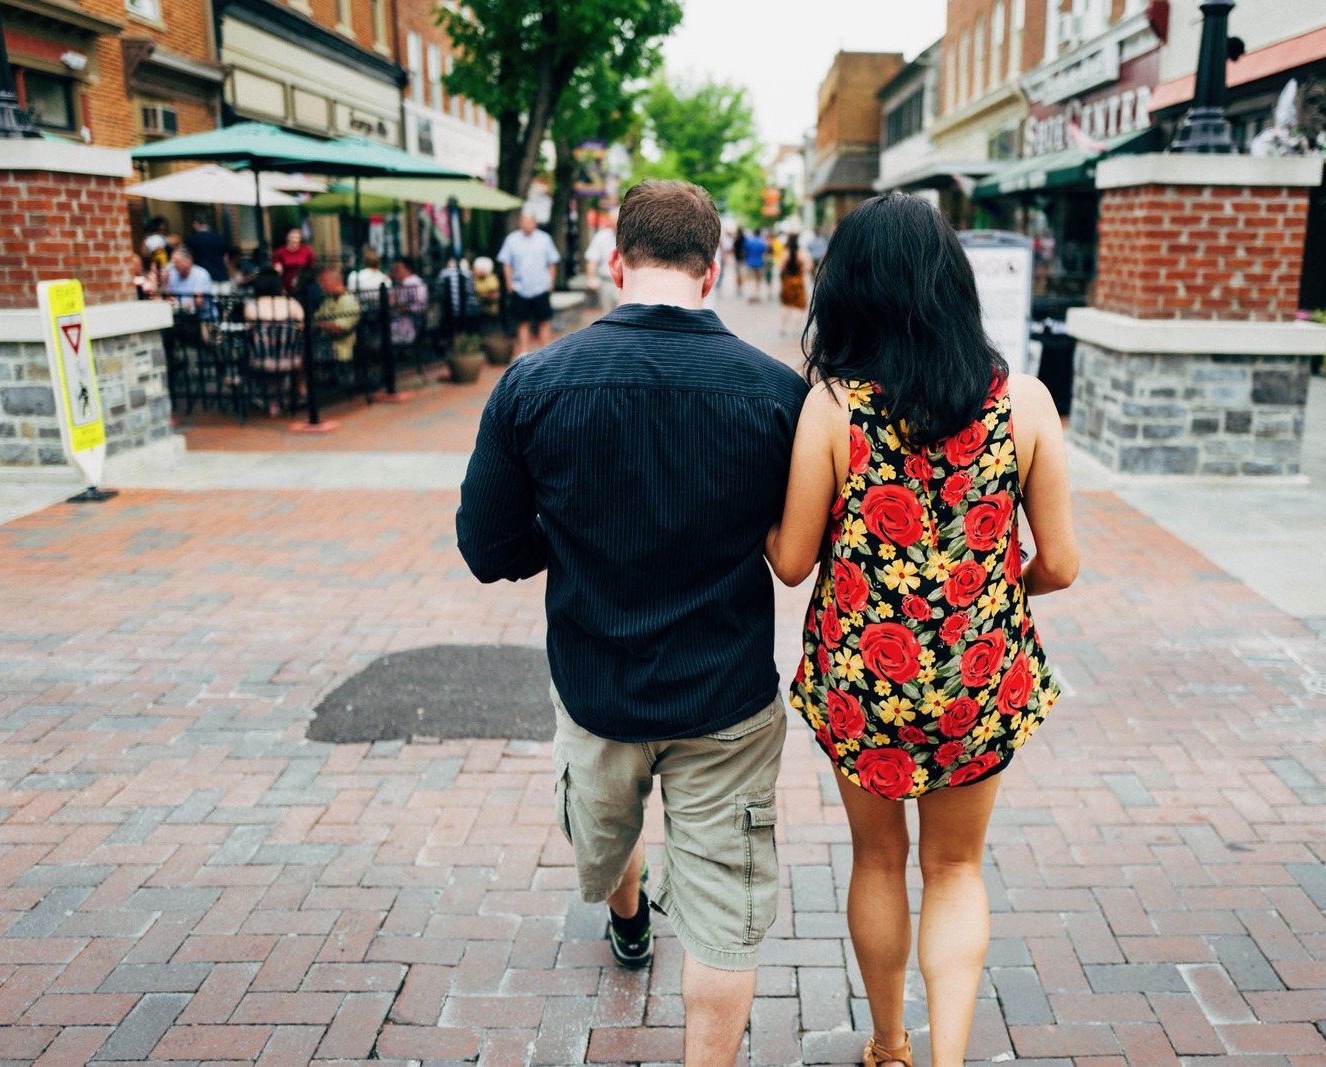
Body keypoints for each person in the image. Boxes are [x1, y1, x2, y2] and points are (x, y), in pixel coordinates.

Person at [458, 180, 806, 1067]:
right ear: (714, 267)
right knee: (725, 919)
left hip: (599, 681)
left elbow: (487, 545)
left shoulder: (535, 383)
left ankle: (628, 920)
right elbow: (805, 544)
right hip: (726, 692)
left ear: (615, 263)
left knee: (608, 830)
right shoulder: (776, 393)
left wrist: (566, 539)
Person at [763, 194, 1079, 1067]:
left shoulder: (832, 407)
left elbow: (791, 563)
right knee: (956, 870)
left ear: (851, 289)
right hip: (978, 680)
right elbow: (1061, 563)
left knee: (877, 861)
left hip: (864, 680)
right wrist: (996, 587)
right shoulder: (1024, 404)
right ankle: (947, 1060)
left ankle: (889, 1045)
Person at [497, 211, 561, 355]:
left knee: (543, 320)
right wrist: (509, 283)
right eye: (524, 221)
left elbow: (552, 262)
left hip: (540, 286)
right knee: (522, 321)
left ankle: (546, 352)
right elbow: (506, 263)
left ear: (535, 222)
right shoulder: (512, 239)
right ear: (520, 222)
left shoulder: (544, 239)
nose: (527, 224)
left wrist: (551, 282)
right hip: (520, 287)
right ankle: (524, 352)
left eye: (529, 221)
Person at [244, 268, 304, 417]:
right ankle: (289, 395)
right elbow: (302, 326)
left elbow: (249, 330)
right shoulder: (291, 303)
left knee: (248, 355)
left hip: (263, 358)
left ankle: (271, 402)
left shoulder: (252, 306)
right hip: (290, 356)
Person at [313, 267, 361, 364]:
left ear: (336, 281)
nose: (321, 286)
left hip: (339, 351)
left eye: (324, 282)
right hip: (325, 345)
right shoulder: (329, 300)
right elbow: (316, 318)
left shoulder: (349, 301)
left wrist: (320, 324)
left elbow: (339, 329)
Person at [584, 211, 619, 314]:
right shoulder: (601, 237)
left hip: (626, 283)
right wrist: (591, 278)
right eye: (614, 222)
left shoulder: (632, 236)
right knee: (607, 313)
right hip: (607, 282)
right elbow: (592, 259)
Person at [388, 256, 428, 345]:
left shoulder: (415, 283)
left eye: (398, 269)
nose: (395, 272)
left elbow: (420, 306)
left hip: (410, 325)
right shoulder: (398, 284)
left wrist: (403, 308)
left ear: (407, 270)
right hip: (396, 323)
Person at [777, 233, 810, 337]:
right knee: (798, 306)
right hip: (799, 282)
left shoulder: (785, 252)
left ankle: (783, 327)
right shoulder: (803, 253)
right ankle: (796, 329)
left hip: (787, 281)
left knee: (786, 305)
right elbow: (809, 267)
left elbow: (781, 267)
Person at [185, 214, 230, 289]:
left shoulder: (191, 240)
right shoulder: (220, 238)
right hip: (222, 278)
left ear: (196, 224)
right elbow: (226, 259)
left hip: (205, 279)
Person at [163, 248, 213, 315]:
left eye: (176, 262)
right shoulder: (173, 275)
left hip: (201, 317)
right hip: (179, 317)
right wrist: (165, 283)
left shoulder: (200, 274)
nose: (174, 265)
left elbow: (198, 302)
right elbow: (169, 298)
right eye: (172, 262)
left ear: (187, 261)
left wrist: (178, 306)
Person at [271, 227, 316, 294]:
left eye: (297, 237)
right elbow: (277, 272)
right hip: (287, 284)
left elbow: (312, 266)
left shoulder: (306, 250)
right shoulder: (280, 252)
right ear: (287, 238)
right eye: (292, 237)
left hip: (303, 284)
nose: (295, 240)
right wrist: (281, 287)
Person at [742, 229, 767, 302]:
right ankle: (757, 295)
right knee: (758, 280)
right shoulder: (762, 242)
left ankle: (751, 295)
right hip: (759, 263)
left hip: (750, 262)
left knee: (751, 280)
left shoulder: (749, 242)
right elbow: (764, 252)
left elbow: (745, 251)